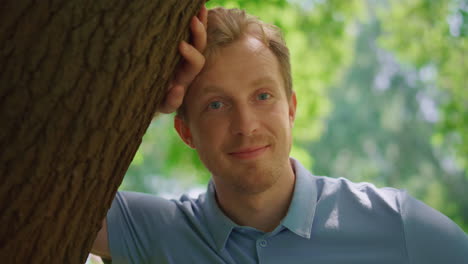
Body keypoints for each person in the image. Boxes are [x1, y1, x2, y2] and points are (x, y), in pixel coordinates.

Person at [91, 5, 468, 264]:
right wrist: (144, 106)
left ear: (290, 109)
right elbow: (39, 184)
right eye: (217, 105)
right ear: (185, 131)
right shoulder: (151, 231)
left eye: (262, 96)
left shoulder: (395, 223)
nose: (246, 125)